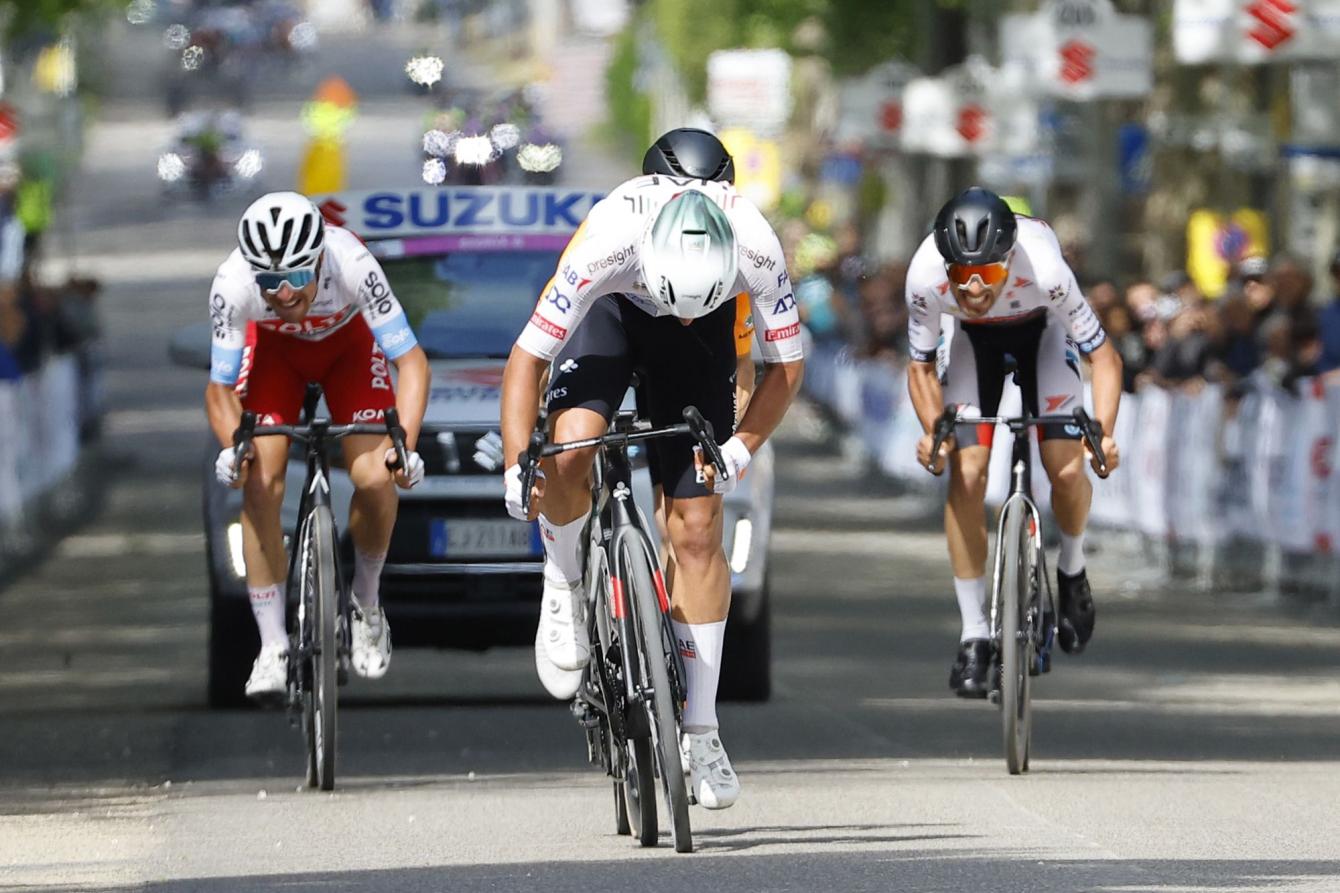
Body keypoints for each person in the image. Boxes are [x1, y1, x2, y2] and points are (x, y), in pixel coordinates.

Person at [499, 135, 804, 810]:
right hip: (612, 313)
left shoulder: (753, 240)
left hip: (696, 348)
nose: (687, 306)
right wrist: (520, 463)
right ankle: (565, 576)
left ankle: (701, 729)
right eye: (680, 297)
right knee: (572, 447)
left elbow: (786, 369)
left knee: (697, 527)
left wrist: (742, 448)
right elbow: (526, 360)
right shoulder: (611, 233)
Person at [205, 192, 430, 700]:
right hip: (274, 358)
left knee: (375, 477)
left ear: (319, 260)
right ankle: (271, 646)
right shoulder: (232, 283)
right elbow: (219, 389)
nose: (283, 295)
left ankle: (366, 603)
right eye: (270, 283)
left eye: (297, 279)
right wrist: (232, 447)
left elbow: (412, 363)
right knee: (259, 479)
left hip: (348, 349)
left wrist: (404, 444)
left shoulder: (351, 260)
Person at [905, 187, 1122, 698]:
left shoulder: (1045, 268)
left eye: (989, 274)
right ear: (945, 265)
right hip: (971, 347)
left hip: (1044, 336)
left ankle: (1071, 564)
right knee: (968, 471)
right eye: (961, 275)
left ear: (1010, 258)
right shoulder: (923, 276)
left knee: (1066, 468)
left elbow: (1105, 357)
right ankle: (974, 634)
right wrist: (934, 432)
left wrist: (1103, 435)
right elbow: (919, 366)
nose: (975, 289)